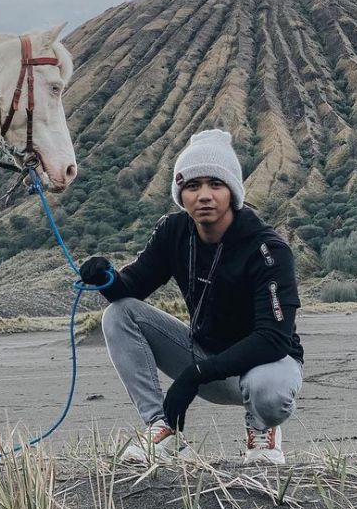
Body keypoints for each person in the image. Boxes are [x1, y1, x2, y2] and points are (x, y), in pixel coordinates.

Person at [79, 129, 303, 465]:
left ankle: (262, 432)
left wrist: (195, 374)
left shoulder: (268, 249)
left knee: (268, 395)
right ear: (180, 194)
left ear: (233, 192)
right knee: (119, 313)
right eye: (192, 186)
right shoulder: (174, 231)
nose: (204, 196)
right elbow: (131, 289)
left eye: (216, 184)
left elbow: (273, 339)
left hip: (263, 365)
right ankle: (162, 428)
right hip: (203, 354)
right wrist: (106, 278)